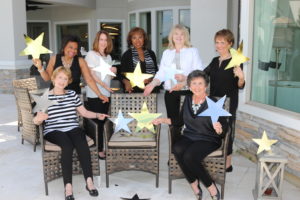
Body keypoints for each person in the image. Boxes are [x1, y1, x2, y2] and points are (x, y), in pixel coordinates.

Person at [33, 66, 108, 200]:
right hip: (54, 130)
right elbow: (36, 121)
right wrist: (39, 118)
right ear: (54, 78)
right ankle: (68, 187)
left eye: (65, 79)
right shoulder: (45, 97)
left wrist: (97, 115)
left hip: (72, 127)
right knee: (67, 146)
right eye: (60, 77)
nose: (62, 81)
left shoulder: (72, 94)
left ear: (68, 82)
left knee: (82, 144)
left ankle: (89, 182)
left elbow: (84, 112)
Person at [153, 70, 228, 200]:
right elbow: (180, 121)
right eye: (194, 83)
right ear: (189, 85)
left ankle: (211, 187)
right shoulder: (188, 99)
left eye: (200, 83)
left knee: (189, 156)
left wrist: (219, 129)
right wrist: (163, 120)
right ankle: (194, 183)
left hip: (209, 138)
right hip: (190, 136)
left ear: (206, 86)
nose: (197, 87)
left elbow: (224, 126)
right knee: (177, 148)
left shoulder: (213, 103)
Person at [144, 24, 204, 142]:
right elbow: (161, 73)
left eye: (182, 34)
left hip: (188, 92)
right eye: (176, 34)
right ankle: (174, 155)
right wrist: (152, 84)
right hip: (170, 93)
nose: (179, 36)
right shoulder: (167, 53)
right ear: (171, 36)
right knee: (173, 125)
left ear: (186, 37)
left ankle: (188, 151)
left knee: (189, 123)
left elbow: (199, 72)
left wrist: (186, 78)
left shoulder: (192, 51)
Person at [204, 29, 245, 172]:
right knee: (214, 128)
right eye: (217, 42)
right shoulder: (215, 61)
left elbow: (240, 85)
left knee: (228, 130)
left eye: (222, 42)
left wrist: (241, 77)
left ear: (230, 44)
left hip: (229, 102)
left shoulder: (236, 61)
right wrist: (185, 79)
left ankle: (228, 164)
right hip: (214, 102)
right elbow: (202, 76)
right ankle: (215, 157)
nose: (219, 45)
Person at [32, 35, 108, 102]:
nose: (73, 51)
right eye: (70, 47)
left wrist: (100, 94)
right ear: (64, 47)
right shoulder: (54, 58)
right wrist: (40, 67)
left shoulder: (80, 61)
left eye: (75, 48)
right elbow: (47, 78)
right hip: (55, 98)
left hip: (74, 99)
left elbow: (89, 79)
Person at [85, 30, 117, 159]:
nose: (103, 42)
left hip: (106, 94)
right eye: (101, 39)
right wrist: (104, 88)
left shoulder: (108, 57)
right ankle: (97, 150)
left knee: (102, 121)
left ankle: (100, 147)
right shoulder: (91, 54)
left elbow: (107, 76)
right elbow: (91, 75)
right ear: (96, 41)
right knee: (96, 122)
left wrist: (114, 70)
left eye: (105, 40)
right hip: (95, 94)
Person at [120, 27, 159, 93]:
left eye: (140, 37)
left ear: (144, 39)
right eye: (134, 38)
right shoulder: (126, 55)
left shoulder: (151, 54)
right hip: (133, 92)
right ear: (131, 40)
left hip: (150, 90)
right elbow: (121, 74)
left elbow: (156, 72)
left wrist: (150, 79)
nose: (137, 41)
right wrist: (126, 82)